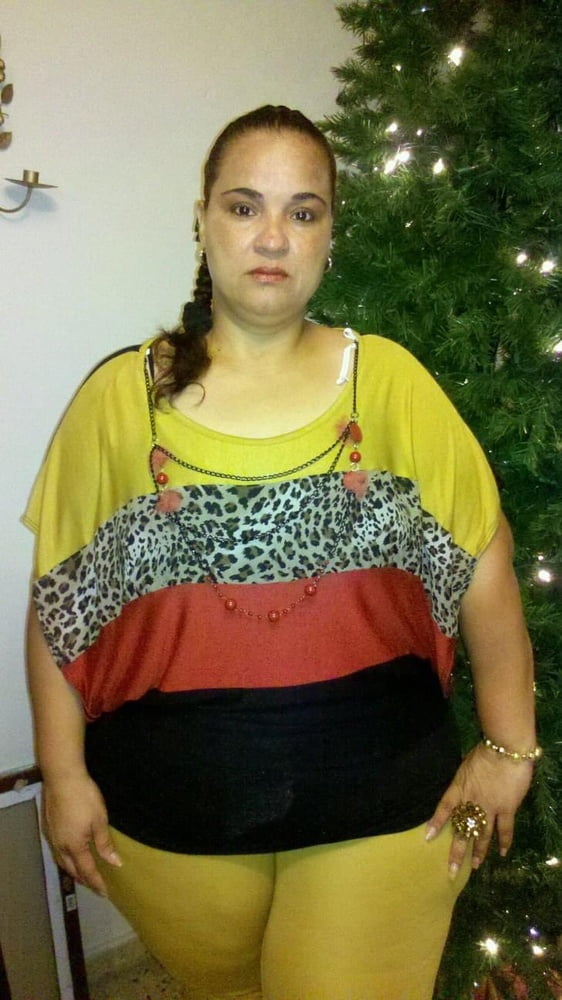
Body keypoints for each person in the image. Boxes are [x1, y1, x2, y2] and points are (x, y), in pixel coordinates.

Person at [24, 105, 539, 1000]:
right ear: (202, 221)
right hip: (167, 827)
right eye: (244, 206)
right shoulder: (118, 398)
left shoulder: (390, 382)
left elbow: (484, 567)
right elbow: (61, 605)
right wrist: (62, 778)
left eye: (303, 212)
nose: (273, 237)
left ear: (330, 233)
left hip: (387, 809)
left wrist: (509, 748)